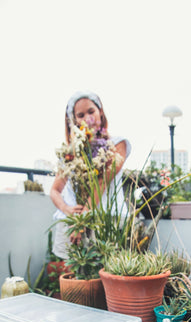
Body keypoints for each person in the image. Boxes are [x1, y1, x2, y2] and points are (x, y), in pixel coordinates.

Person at [50, 91, 131, 260]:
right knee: (73, 280)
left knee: (109, 276)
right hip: (73, 222)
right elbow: (55, 190)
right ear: (73, 121)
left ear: (100, 112)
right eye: (80, 115)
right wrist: (67, 210)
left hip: (106, 220)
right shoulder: (70, 153)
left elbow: (101, 183)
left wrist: (82, 222)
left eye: (91, 111)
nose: (87, 118)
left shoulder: (117, 144)